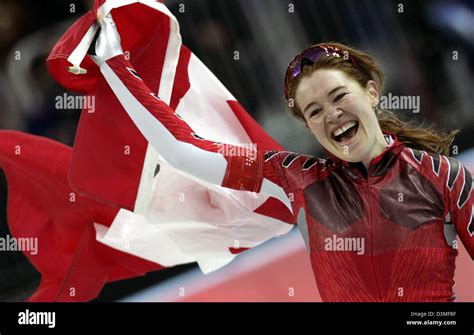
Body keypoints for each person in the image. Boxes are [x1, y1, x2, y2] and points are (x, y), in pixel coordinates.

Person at [90, 15, 473, 302]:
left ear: (372, 92)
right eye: (315, 111)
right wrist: (114, 66)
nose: (332, 114)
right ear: (308, 126)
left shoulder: (444, 177)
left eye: (339, 97)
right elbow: (183, 152)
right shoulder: (298, 179)